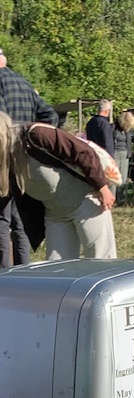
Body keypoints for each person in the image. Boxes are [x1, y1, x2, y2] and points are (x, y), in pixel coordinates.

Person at [0, 111, 117, 261]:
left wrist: (102, 187)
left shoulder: (37, 134)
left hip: (87, 201)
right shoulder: (5, 159)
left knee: (100, 261)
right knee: (57, 268)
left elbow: (83, 151)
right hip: (55, 213)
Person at [0, 47, 59, 268]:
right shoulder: (23, 82)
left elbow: (2, 118)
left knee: (2, 220)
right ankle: (23, 268)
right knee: (20, 221)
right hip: (25, 161)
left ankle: (5, 274)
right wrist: (33, 139)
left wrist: (10, 138)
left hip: (3, 159)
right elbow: (50, 115)